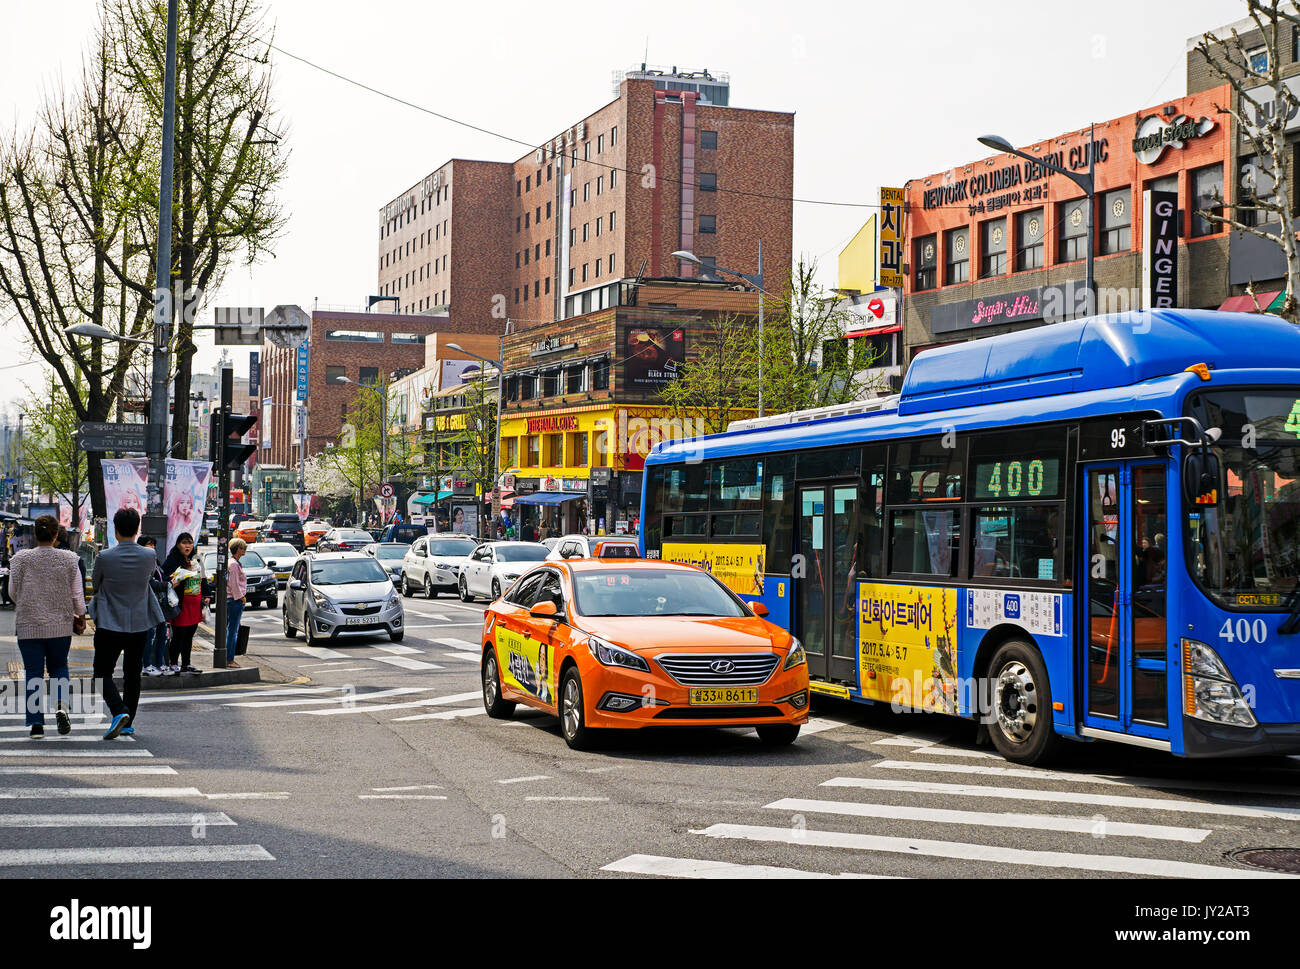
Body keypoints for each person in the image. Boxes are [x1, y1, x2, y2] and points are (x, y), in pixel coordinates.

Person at [90, 508, 164, 740]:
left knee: (101, 673)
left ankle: (118, 711)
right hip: (140, 623)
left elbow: (97, 584)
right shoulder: (149, 556)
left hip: (110, 623)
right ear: (137, 529)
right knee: (133, 673)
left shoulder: (104, 557)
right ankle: (128, 721)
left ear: (116, 528)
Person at [9, 515, 85, 738]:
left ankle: (36, 725)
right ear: (55, 535)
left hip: (28, 625)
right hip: (60, 626)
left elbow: (13, 592)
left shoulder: (21, 559)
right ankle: (60, 705)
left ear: (35, 534)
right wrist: (80, 616)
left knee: (33, 673)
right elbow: (77, 595)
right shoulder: (70, 559)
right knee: (59, 667)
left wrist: (27, 602)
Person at [163, 532, 203, 676]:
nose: (187, 546)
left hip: (195, 603)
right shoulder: (173, 560)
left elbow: (202, 580)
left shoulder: (195, 560)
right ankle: (173, 663)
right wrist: (176, 578)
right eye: (184, 543)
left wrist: (207, 596)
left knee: (189, 635)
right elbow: (165, 578)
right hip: (181, 603)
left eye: (190, 543)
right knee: (179, 635)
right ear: (178, 545)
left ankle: (186, 663)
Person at [138, 536, 170, 676]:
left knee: (162, 635)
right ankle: (146, 664)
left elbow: (161, 578)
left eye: (153, 545)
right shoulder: (142, 562)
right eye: (149, 544)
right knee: (149, 635)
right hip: (148, 604)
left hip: (160, 604)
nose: (152, 547)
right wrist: (167, 585)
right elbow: (150, 583)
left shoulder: (156, 562)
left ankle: (159, 663)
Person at [225, 537, 248, 669]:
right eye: (243, 547)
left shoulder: (235, 562)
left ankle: (229, 657)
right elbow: (233, 584)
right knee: (233, 631)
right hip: (234, 601)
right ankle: (229, 659)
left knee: (231, 629)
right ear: (238, 549)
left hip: (233, 600)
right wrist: (241, 597)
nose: (245, 550)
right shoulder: (233, 564)